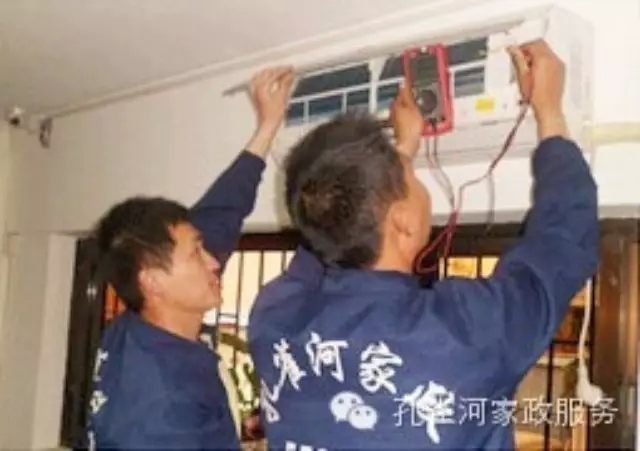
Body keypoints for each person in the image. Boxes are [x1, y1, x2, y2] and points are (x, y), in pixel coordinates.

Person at [248, 40, 598, 449]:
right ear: (403, 222)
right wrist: (550, 110)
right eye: (411, 180)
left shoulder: (275, 314)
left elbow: (331, 227)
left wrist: (401, 155)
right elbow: (561, 242)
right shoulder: (465, 332)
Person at [86, 66, 294, 449]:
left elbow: (222, 210)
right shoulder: (161, 409)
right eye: (197, 253)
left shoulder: (136, 327)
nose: (214, 261)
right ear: (152, 280)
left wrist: (268, 125)